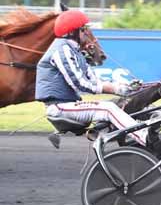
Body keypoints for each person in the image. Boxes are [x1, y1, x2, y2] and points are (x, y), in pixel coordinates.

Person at [35, 10, 148, 146]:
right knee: (107, 108)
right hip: (60, 107)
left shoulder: (74, 52)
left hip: (68, 104)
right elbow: (81, 84)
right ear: (73, 32)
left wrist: (125, 87)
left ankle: (105, 136)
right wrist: (115, 89)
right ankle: (144, 137)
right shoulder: (62, 50)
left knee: (121, 103)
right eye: (84, 30)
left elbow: (94, 81)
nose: (87, 33)